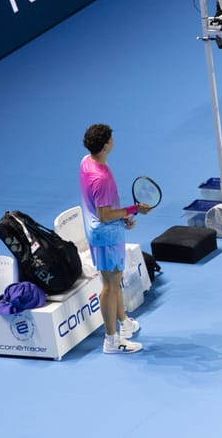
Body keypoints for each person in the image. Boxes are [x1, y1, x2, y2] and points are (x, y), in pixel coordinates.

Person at [79, 124, 151, 354]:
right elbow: (104, 214)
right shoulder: (100, 178)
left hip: (106, 232)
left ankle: (124, 322)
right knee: (110, 285)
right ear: (105, 145)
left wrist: (123, 219)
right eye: (111, 138)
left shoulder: (87, 161)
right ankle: (111, 341)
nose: (113, 140)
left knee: (114, 280)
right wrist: (133, 210)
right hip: (105, 236)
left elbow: (107, 210)